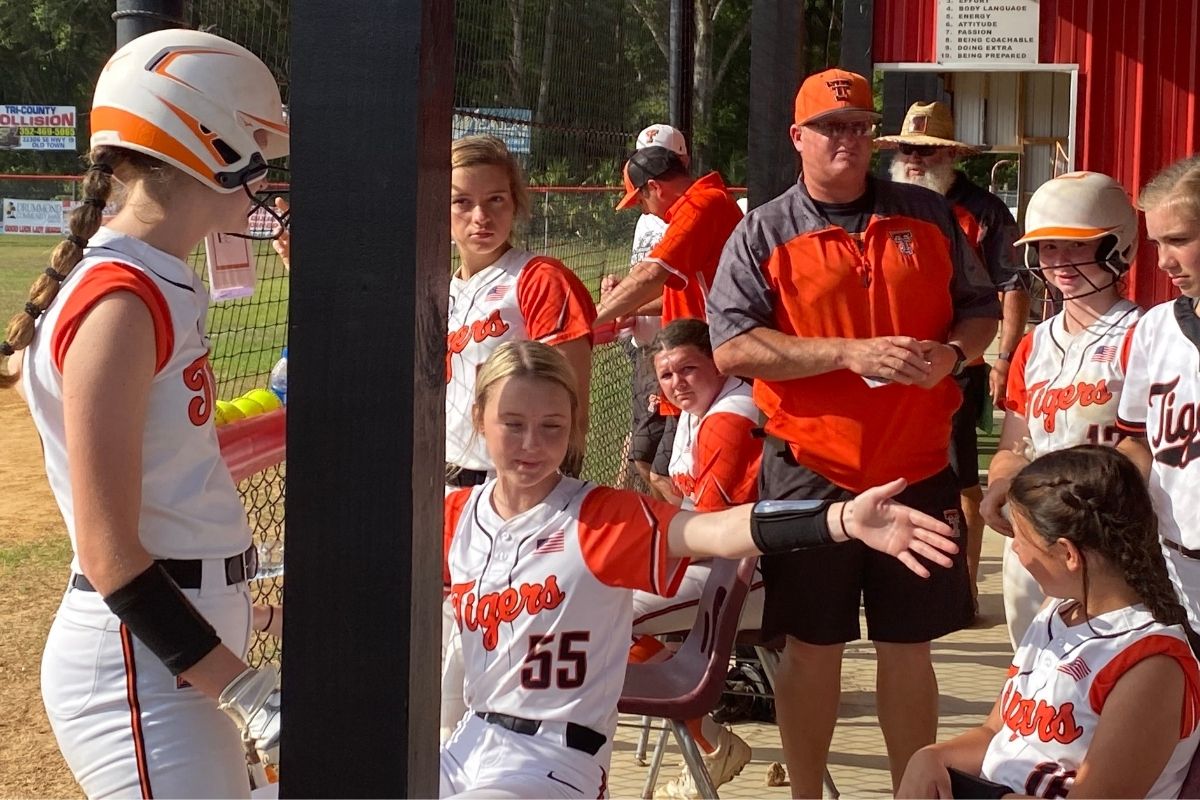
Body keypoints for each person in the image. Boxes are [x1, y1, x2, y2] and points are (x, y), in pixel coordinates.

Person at [440, 339, 961, 799]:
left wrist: (840, 518)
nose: (531, 443)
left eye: (551, 426)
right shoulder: (452, 517)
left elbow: (718, 530)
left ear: (574, 426)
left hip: (553, 760)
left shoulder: (598, 517)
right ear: (479, 416)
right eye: (513, 424)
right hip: (466, 743)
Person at [0, 29, 286, 798]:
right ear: (207, 136)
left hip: (184, 642)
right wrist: (247, 691)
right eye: (256, 137)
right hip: (142, 663)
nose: (266, 161)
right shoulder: (121, 300)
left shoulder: (150, 280)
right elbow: (111, 554)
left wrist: (237, 615)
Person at [706, 67, 1001, 796]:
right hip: (812, 469)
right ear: (797, 137)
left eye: (860, 126)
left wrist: (953, 353)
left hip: (918, 466)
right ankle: (810, 792)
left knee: (909, 649)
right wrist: (846, 352)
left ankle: (914, 790)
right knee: (813, 649)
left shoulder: (927, 216)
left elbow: (982, 310)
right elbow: (732, 346)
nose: (848, 139)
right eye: (832, 127)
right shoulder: (764, 230)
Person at [899, 445, 1200, 799]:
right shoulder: (1055, 612)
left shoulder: (1150, 664)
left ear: (1067, 553)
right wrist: (932, 756)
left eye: (1021, 538)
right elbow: (996, 731)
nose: (1015, 551)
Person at [877, 100, 1031, 612]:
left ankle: (961, 591)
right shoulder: (885, 204)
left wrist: (1003, 357)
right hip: (889, 365)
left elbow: (1012, 285)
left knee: (959, 474)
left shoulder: (983, 210)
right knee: (890, 470)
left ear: (949, 156)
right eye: (907, 148)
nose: (915, 157)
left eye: (927, 149)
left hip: (960, 364)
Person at [978, 171, 1142, 648]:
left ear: (1118, 247)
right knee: (1040, 674)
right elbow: (1014, 444)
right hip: (1036, 532)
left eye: (1076, 246)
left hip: (1108, 534)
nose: (1059, 262)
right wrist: (1002, 486)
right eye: (1048, 248)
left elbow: (1145, 447)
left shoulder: (1141, 334)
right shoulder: (1034, 344)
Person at [627, 319, 764, 798]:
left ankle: (710, 742)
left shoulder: (731, 417)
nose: (677, 383)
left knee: (606, 617)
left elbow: (711, 529)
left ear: (718, 364)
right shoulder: (699, 404)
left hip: (748, 574)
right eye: (667, 375)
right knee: (597, 601)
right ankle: (707, 736)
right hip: (713, 560)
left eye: (689, 369)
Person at [446, 134, 596, 487]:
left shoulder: (539, 279)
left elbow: (572, 408)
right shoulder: (438, 289)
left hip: (510, 484)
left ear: (515, 203)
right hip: (439, 477)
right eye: (462, 202)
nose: (480, 216)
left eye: (495, 199)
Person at [597, 143, 743, 501]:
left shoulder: (702, 204)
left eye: (641, 201)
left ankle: (699, 539)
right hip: (700, 356)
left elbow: (651, 273)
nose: (645, 211)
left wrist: (587, 320)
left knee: (677, 474)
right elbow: (678, 293)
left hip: (711, 362)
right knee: (668, 470)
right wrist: (627, 308)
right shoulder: (703, 204)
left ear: (654, 188)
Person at [1116, 153, 1200, 623]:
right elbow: (1137, 438)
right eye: (1156, 243)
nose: (1164, 260)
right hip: (1177, 563)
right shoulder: (1155, 327)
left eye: (1179, 240)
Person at [620, 125, 690, 498]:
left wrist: (610, 310)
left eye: (659, 164)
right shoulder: (646, 217)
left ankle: (687, 535)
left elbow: (679, 289)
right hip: (645, 349)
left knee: (672, 466)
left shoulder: (690, 216)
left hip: (678, 350)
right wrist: (618, 292)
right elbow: (640, 276)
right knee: (644, 458)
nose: (648, 175)